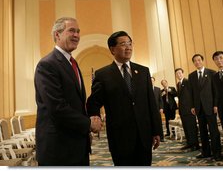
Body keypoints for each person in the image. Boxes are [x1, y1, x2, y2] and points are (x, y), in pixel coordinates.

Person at [34, 17, 102, 166]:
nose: (77, 35)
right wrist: (88, 124)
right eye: (71, 30)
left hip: (77, 144)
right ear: (57, 35)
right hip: (58, 149)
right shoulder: (47, 64)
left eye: (78, 31)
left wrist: (87, 124)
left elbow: (76, 103)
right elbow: (57, 107)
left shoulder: (73, 63)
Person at [86, 31, 161, 166]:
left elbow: (151, 103)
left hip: (144, 134)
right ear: (112, 49)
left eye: (130, 43)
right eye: (123, 44)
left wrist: (156, 131)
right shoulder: (103, 75)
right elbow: (94, 102)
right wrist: (94, 117)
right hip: (120, 136)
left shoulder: (143, 71)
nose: (128, 47)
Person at [188, 54, 221, 161]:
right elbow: (191, 92)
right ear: (193, 63)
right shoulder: (191, 76)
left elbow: (216, 91)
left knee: (213, 131)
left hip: (210, 107)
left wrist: (216, 104)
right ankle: (206, 152)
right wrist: (193, 106)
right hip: (199, 108)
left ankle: (217, 153)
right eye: (195, 61)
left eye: (199, 60)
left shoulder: (212, 73)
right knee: (202, 131)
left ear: (202, 61)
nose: (197, 62)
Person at [175, 68, 199, 151]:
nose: (178, 75)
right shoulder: (178, 84)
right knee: (186, 127)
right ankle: (189, 143)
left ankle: (195, 145)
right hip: (182, 110)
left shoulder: (187, 82)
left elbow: (192, 95)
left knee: (192, 127)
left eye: (180, 73)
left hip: (189, 109)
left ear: (182, 73)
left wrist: (193, 106)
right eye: (177, 74)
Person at [151, 77, 164, 142]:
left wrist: (161, 108)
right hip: (150, 110)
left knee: (159, 123)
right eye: (150, 80)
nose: (151, 82)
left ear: (154, 81)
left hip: (157, 109)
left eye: (152, 81)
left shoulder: (158, 89)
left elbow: (160, 100)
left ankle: (161, 137)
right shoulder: (146, 88)